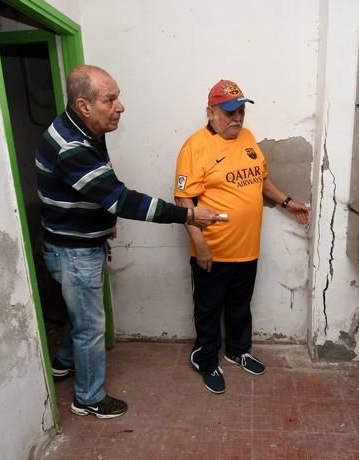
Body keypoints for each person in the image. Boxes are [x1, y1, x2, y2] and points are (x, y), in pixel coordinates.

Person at [36, 65, 222, 419]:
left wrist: (104, 222)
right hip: (73, 252)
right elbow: (121, 199)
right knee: (91, 327)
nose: (121, 106)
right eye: (111, 99)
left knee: (80, 316)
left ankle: (64, 362)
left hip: (79, 242)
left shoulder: (89, 128)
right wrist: (189, 215)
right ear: (83, 105)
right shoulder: (71, 146)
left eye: (118, 96)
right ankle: (88, 398)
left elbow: (101, 184)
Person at [174, 79, 310, 394]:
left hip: (247, 249)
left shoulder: (247, 139)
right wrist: (201, 246)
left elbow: (262, 180)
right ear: (210, 112)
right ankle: (206, 359)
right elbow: (184, 202)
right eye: (230, 112)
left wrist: (288, 203)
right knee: (208, 309)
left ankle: (237, 350)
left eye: (241, 113)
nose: (237, 119)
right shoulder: (195, 147)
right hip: (213, 252)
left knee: (240, 305)